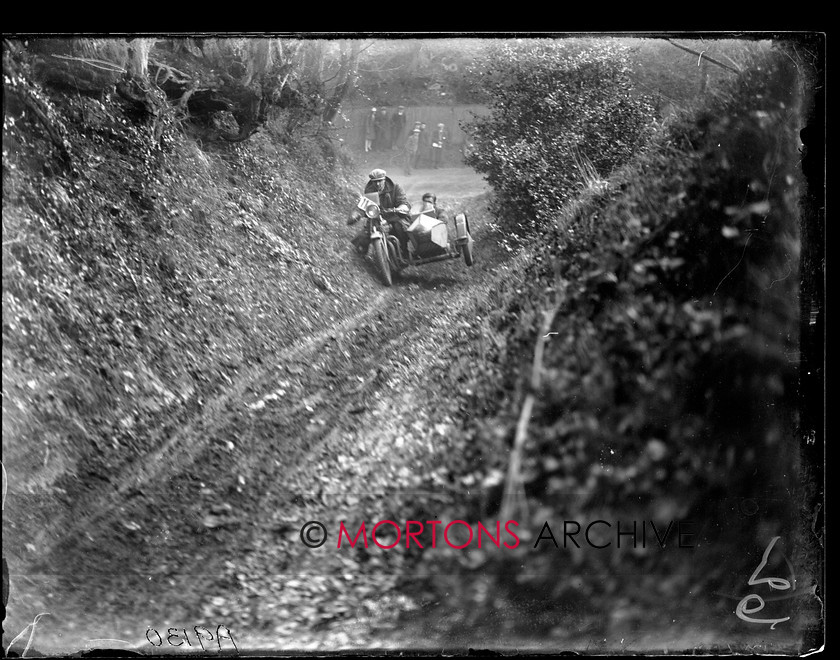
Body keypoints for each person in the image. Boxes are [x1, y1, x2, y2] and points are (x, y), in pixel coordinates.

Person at [359, 168, 412, 261]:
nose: (377, 184)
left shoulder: (395, 187)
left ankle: (404, 250)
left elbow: (403, 202)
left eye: (380, 181)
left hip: (397, 216)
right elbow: (368, 206)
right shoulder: (370, 191)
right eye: (375, 182)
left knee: (399, 227)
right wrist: (361, 213)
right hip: (379, 218)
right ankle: (363, 258)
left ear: (384, 179)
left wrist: (400, 208)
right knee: (365, 234)